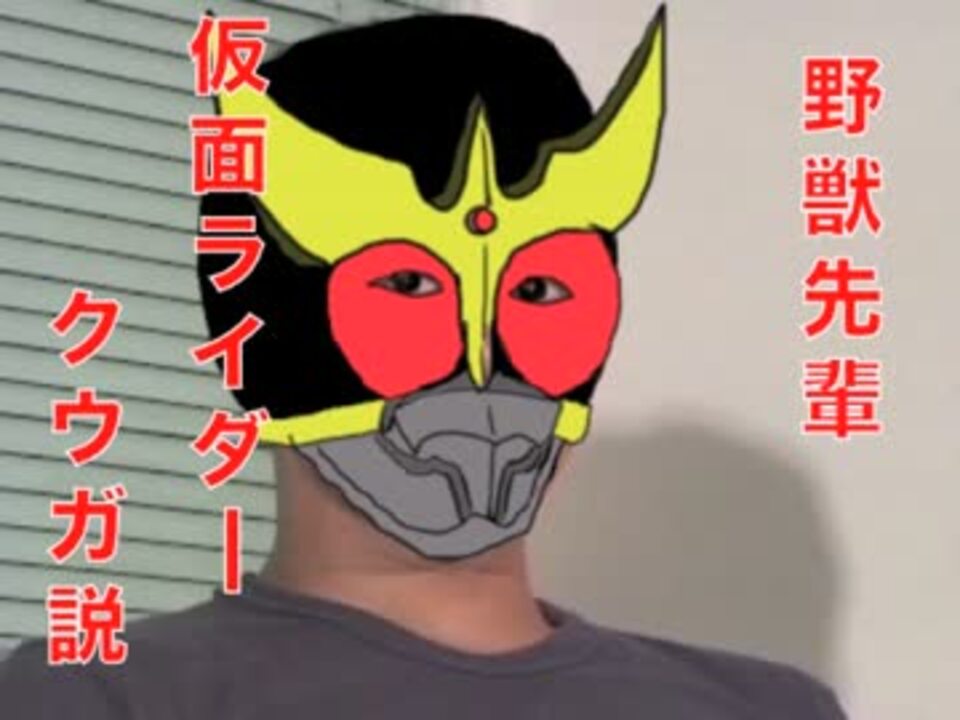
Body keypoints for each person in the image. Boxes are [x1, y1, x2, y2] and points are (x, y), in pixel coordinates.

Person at [1, 10, 849, 718]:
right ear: (254, 332)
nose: (483, 373)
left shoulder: (768, 709)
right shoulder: (92, 698)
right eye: (407, 284)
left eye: (541, 289)